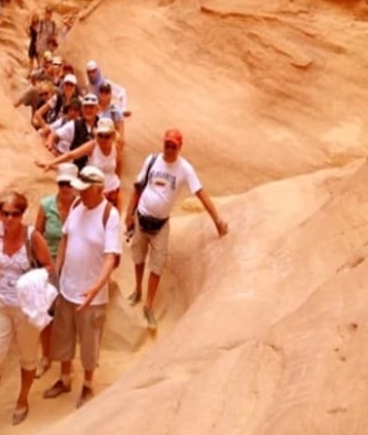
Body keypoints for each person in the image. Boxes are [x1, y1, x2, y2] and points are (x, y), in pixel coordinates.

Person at [124, 130, 228, 331]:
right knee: (138, 255)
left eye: (173, 146)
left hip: (161, 224)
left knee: (157, 264)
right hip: (141, 216)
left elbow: (201, 193)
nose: (169, 149)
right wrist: (129, 213)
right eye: (167, 144)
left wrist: (217, 220)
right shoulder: (152, 160)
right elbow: (138, 187)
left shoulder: (184, 169)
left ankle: (148, 305)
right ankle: (137, 289)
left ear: (180, 147)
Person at [0, 192, 53, 426]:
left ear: (22, 214)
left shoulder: (32, 237)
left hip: (26, 308)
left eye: (14, 214)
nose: (9, 219)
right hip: (2, 304)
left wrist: (31, 280)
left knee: (27, 356)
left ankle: (22, 400)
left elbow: (49, 266)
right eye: (5, 213)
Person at [42, 165, 121, 409]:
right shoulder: (77, 205)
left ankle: (87, 384)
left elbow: (111, 256)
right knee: (64, 336)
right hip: (68, 287)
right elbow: (65, 237)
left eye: (85, 190)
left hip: (91, 296)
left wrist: (96, 288)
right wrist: (57, 271)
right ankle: (65, 378)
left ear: (99, 189)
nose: (80, 194)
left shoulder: (110, 215)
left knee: (89, 342)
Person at [33, 163, 78, 378]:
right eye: (62, 183)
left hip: (74, 267)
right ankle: (46, 356)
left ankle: (66, 361)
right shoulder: (46, 205)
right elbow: (37, 235)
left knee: (67, 316)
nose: (65, 187)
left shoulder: (81, 206)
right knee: (46, 313)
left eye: (69, 183)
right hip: (49, 266)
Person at [38, 118, 121, 209]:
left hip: (113, 190)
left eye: (106, 136)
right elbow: (71, 155)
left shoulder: (116, 147)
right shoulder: (93, 146)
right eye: (100, 135)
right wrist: (50, 163)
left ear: (112, 136)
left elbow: (118, 167)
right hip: (94, 193)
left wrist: (118, 185)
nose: (103, 139)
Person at [47, 93, 100, 170]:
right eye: (86, 107)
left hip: (97, 169)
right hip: (77, 169)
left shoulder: (101, 125)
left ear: (97, 109)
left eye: (91, 107)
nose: (88, 110)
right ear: (82, 109)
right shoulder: (74, 125)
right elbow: (54, 134)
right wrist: (50, 145)